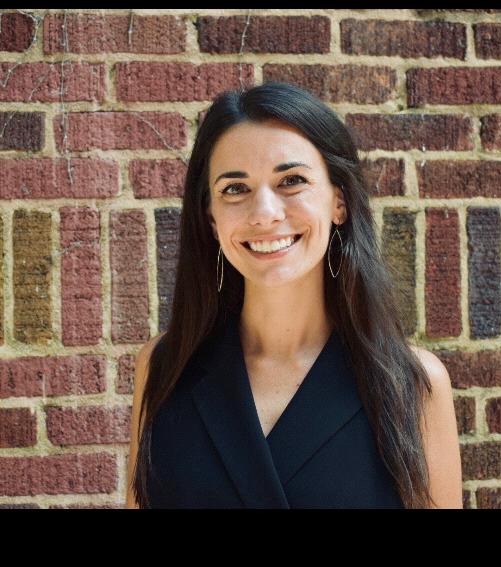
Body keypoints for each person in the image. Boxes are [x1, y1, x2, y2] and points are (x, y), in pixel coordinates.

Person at [126, 81, 463, 509]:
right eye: (235, 188)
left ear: (339, 202)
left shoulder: (411, 384)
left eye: (291, 180)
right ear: (211, 219)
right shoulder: (165, 367)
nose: (265, 214)